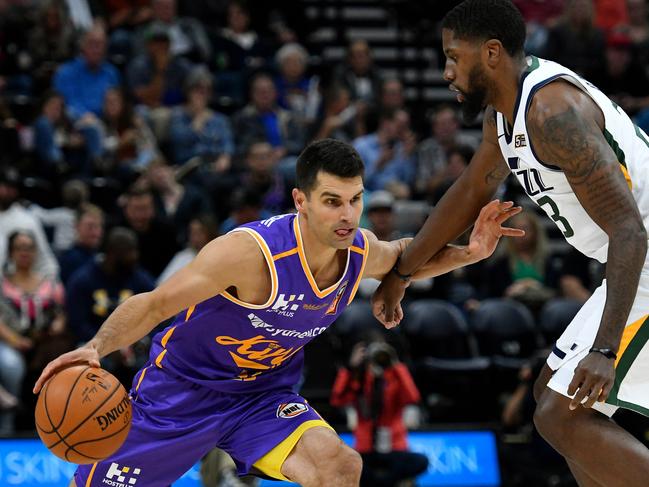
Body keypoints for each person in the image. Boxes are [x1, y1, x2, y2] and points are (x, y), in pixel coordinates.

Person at [33, 138, 522, 487]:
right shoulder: (250, 254)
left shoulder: (357, 251)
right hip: (182, 393)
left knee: (339, 467)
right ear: (301, 201)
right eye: (332, 202)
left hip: (261, 398)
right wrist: (95, 347)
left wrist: (471, 252)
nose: (347, 216)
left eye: (355, 200)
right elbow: (154, 304)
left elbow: (404, 254)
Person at [371, 1, 649, 485]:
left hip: (640, 255)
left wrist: (604, 350)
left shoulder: (551, 112)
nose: (447, 72)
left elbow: (629, 231)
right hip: (631, 260)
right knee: (552, 400)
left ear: (492, 53)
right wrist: (402, 273)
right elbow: (470, 191)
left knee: (563, 415)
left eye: (454, 57)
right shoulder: (504, 116)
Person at [330, 335, 429, 487]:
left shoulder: (395, 377)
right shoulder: (359, 379)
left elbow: (413, 398)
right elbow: (337, 399)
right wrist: (350, 368)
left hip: (395, 447)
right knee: (349, 468)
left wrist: (397, 365)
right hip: (366, 448)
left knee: (421, 462)